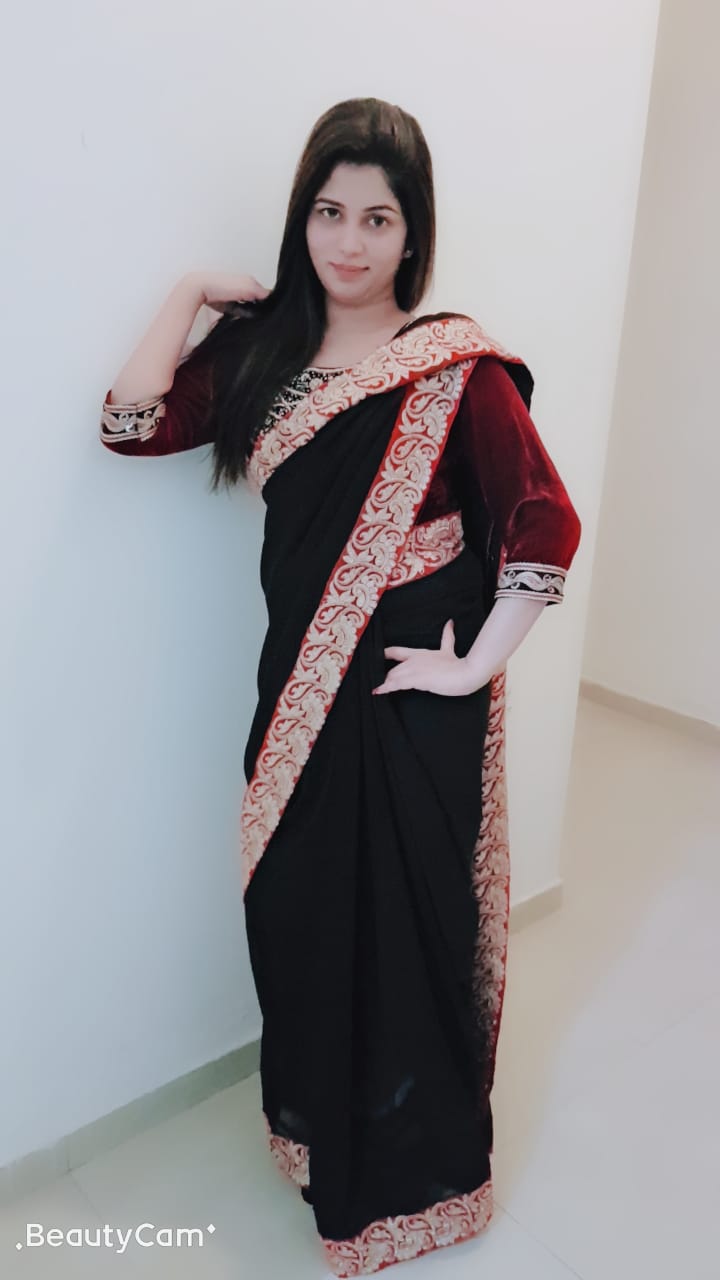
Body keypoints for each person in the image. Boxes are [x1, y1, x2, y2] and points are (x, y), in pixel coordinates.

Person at [99, 97, 582, 1277]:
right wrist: (192, 293)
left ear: (413, 232)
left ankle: (419, 1176)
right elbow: (130, 422)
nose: (350, 242)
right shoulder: (261, 357)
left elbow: (544, 520)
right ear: (300, 220)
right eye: (328, 212)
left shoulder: (455, 366)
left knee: (411, 930)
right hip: (299, 691)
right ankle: (325, 1132)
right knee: (303, 913)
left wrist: (473, 662)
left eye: (378, 217)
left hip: (416, 703)